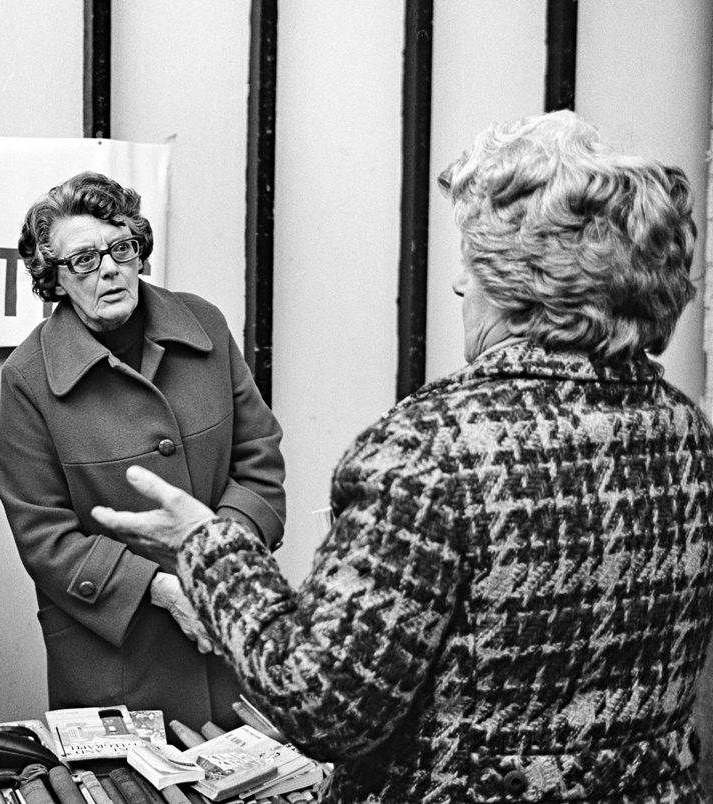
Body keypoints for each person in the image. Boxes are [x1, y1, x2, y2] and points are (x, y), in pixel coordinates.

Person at [91, 111, 713, 803]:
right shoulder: (686, 431)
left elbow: (323, 703)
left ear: (520, 288)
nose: (457, 287)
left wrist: (205, 544)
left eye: (473, 265)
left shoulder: (432, 448)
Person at [0, 171, 286, 732]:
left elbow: (260, 457)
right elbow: (43, 534)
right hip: (118, 664)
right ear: (52, 279)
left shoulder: (203, 324)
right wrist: (163, 590)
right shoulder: (28, 379)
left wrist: (216, 566)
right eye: (83, 259)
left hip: (231, 636)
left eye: (121, 248)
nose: (108, 268)